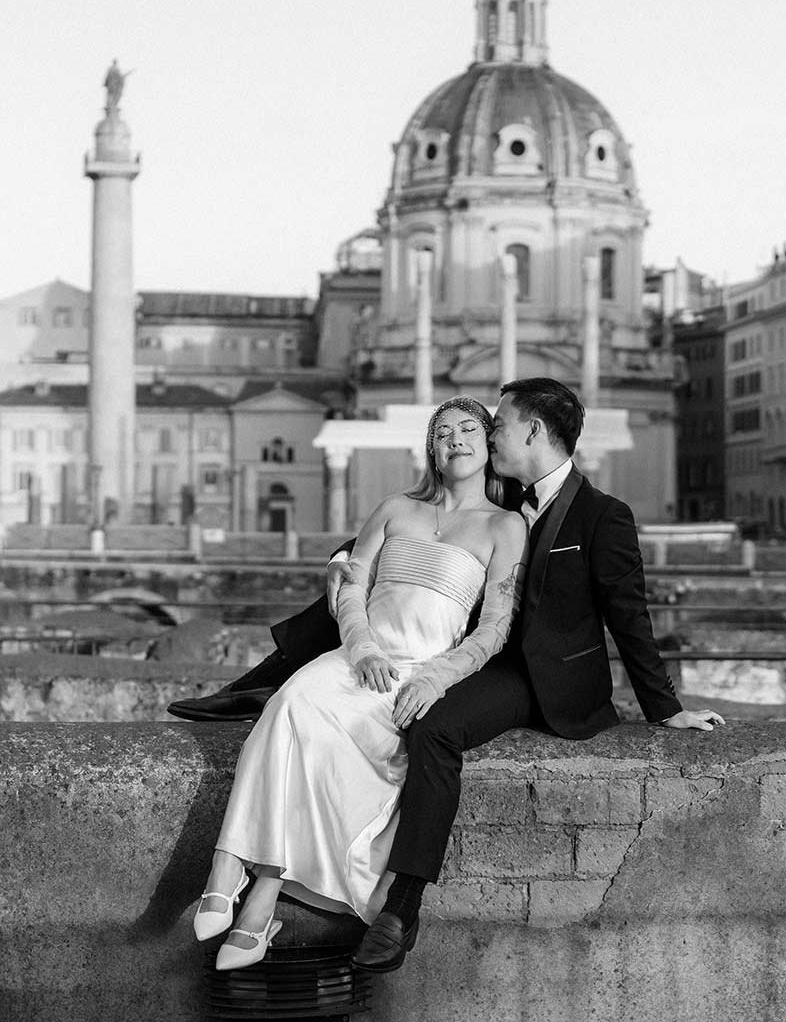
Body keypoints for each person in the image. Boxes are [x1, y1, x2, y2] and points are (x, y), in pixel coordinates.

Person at [350, 377, 726, 973]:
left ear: (533, 431)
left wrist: (663, 708)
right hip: (478, 655)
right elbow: (416, 545)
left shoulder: (604, 515)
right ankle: (271, 679)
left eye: (498, 423)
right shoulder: (497, 496)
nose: (490, 433)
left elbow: (629, 615)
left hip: (544, 680)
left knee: (435, 727)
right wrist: (350, 563)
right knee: (356, 645)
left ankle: (402, 904)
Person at [193, 397, 527, 970]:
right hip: (358, 654)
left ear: (489, 444)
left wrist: (438, 679)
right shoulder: (396, 507)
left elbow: (495, 628)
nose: (456, 440)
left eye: (470, 429)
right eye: (442, 432)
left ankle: (259, 895)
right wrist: (363, 646)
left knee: (329, 739)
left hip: (419, 671)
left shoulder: (506, 526)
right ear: (431, 448)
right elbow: (351, 584)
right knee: (291, 704)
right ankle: (230, 866)